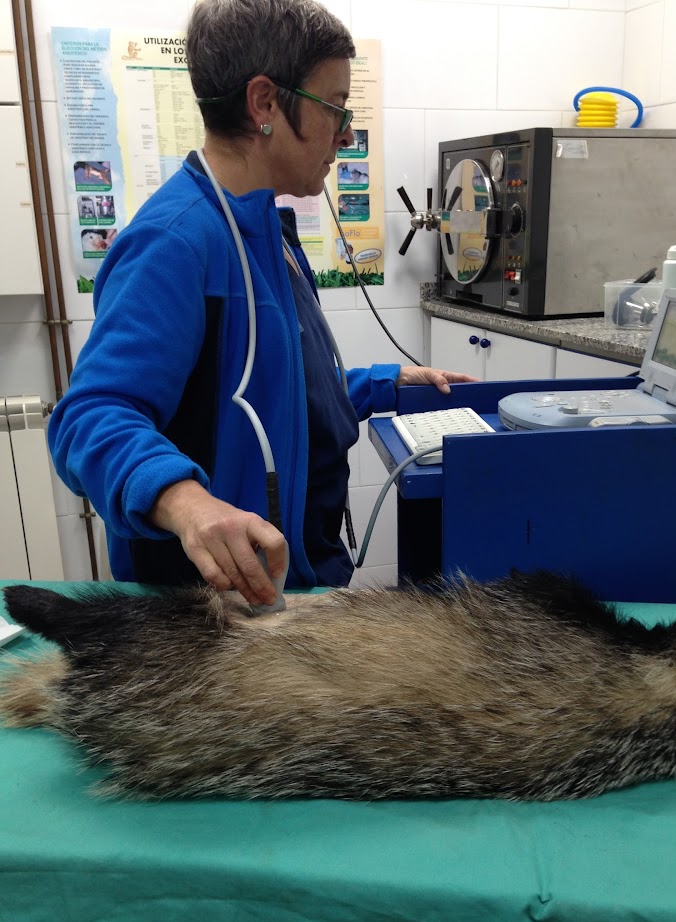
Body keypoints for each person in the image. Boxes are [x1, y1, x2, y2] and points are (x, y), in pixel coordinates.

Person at [48, 0, 476, 607]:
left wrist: (383, 382)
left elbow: (267, 396)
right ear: (265, 104)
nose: (346, 132)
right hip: (212, 616)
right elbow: (87, 417)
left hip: (286, 589)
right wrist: (187, 503)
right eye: (335, 108)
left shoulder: (260, 229)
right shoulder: (177, 241)